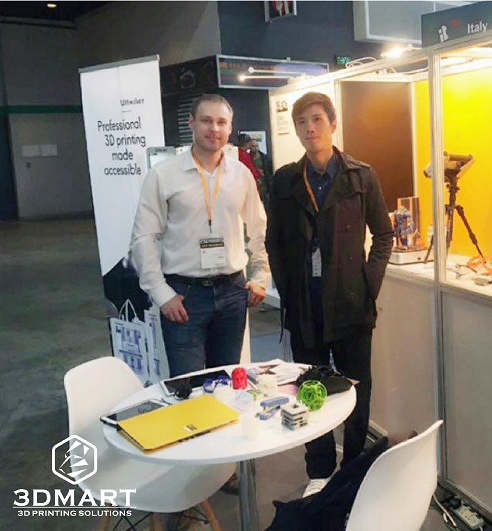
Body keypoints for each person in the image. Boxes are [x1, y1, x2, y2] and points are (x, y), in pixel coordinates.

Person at [265, 92, 392, 497]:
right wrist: (288, 288)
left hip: (351, 304)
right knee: (309, 390)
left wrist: (368, 283)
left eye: (317, 119)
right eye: (302, 122)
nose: (309, 129)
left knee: (356, 390)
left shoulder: (360, 176)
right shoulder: (286, 180)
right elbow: (273, 241)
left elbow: (384, 235)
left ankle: (353, 471)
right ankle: (319, 471)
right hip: (305, 306)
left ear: (333, 124)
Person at [130, 93, 268, 377]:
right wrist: (161, 293)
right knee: (189, 387)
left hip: (232, 292)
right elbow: (143, 237)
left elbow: (259, 227)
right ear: (191, 122)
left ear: (230, 127)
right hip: (184, 295)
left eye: (221, 122)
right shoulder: (164, 175)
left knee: (226, 381)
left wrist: (260, 275)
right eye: (206, 121)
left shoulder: (240, 174)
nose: (214, 129)